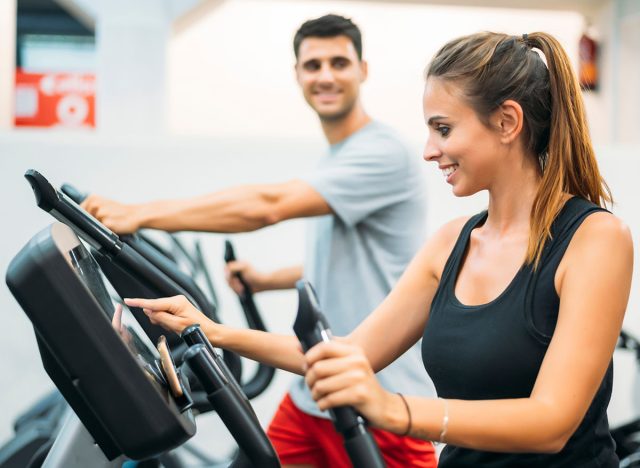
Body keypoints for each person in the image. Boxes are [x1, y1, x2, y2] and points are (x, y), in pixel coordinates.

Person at [125, 30, 634, 467]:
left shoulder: (593, 240)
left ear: (506, 122)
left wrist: (393, 410)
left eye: (443, 129)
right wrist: (212, 331)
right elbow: (349, 354)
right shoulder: (450, 244)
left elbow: (551, 422)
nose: (430, 150)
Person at [83, 14, 437, 468]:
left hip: (379, 397)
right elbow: (362, 261)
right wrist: (267, 279)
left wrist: (140, 213)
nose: (325, 75)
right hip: (314, 394)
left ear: (362, 70)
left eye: (339, 63)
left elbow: (267, 205)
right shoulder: (340, 155)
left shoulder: (383, 152)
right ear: (297, 75)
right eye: (313, 65)